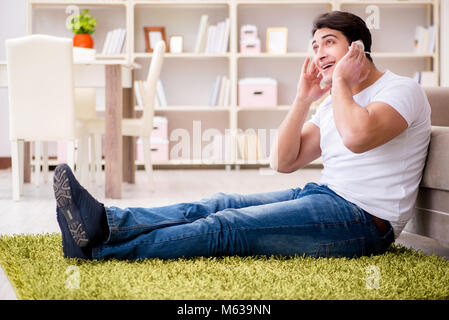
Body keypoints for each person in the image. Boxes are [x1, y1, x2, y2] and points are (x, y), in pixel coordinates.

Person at [54, 11, 431, 261]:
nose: (318, 55)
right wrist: (302, 99)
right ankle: (105, 222)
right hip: (325, 195)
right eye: (314, 47)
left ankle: (96, 251)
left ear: (358, 48)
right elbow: (284, 162)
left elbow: (358, 137)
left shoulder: (400, 91)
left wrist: (342, 83)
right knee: (219, 202)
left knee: (228, 226)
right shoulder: (335, 100)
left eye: (328, 42)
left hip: (364, 222)